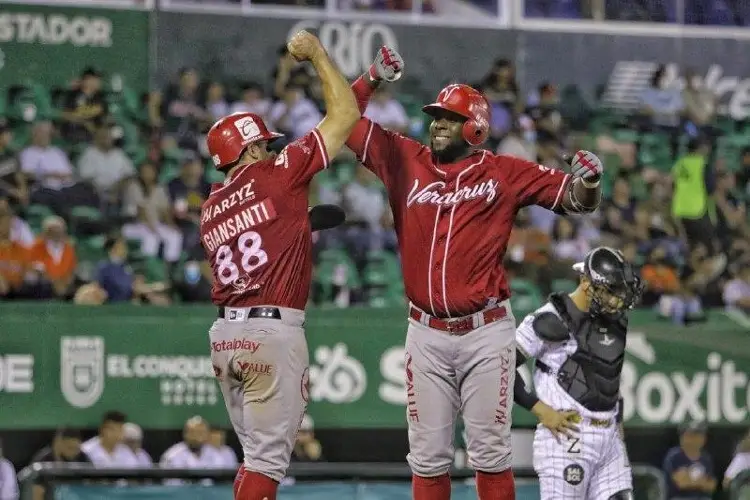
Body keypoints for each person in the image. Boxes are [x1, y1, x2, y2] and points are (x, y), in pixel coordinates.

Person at [348, 46, 603, 500]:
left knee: (489, 452)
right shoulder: (404, 159)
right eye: (436, 116)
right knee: (427, 458)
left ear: (476, 126)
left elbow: (575, 200)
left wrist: (589, 180)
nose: (438, 124)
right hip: (425, 333)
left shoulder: (503, 172)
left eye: (449, 117)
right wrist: (371, 78)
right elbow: (345, 120)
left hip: (485, 332)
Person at [201, 30, 359, 500]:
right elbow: (346, 114)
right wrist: (316, 54)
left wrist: (300, 223)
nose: (271, 149)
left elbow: (258, 233)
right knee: (268, 463)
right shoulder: (277, 172)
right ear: (249, 150)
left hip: (226, 335)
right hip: (271, 331)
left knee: (254, 460)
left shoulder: (210, 204)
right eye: (264, 144)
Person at [513, 247, 644, 500]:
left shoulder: (613, 320)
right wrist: (540, 409)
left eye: (620, 290)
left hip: (609, 438)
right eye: (611, 291)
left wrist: (617, 425)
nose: (617, 300)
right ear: (586, 283)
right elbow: (499, 366)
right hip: (567, 436)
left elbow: (607, 377)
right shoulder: (551, 317)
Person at [29, 428, 92, 500]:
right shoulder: (43, 461)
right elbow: (37, 493)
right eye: (70, 448)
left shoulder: (83, 458)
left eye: (76, 448)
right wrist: (57, 458)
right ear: (59, 443)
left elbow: (89, 488)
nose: (74, 452)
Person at [662, 421, 716, 500]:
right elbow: (682, 484)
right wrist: (702, 482)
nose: (697, 439)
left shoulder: (706, 457)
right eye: (692, 435)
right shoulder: (674, 456)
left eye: (700, 435)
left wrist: (690, 479)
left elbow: (712, 485)